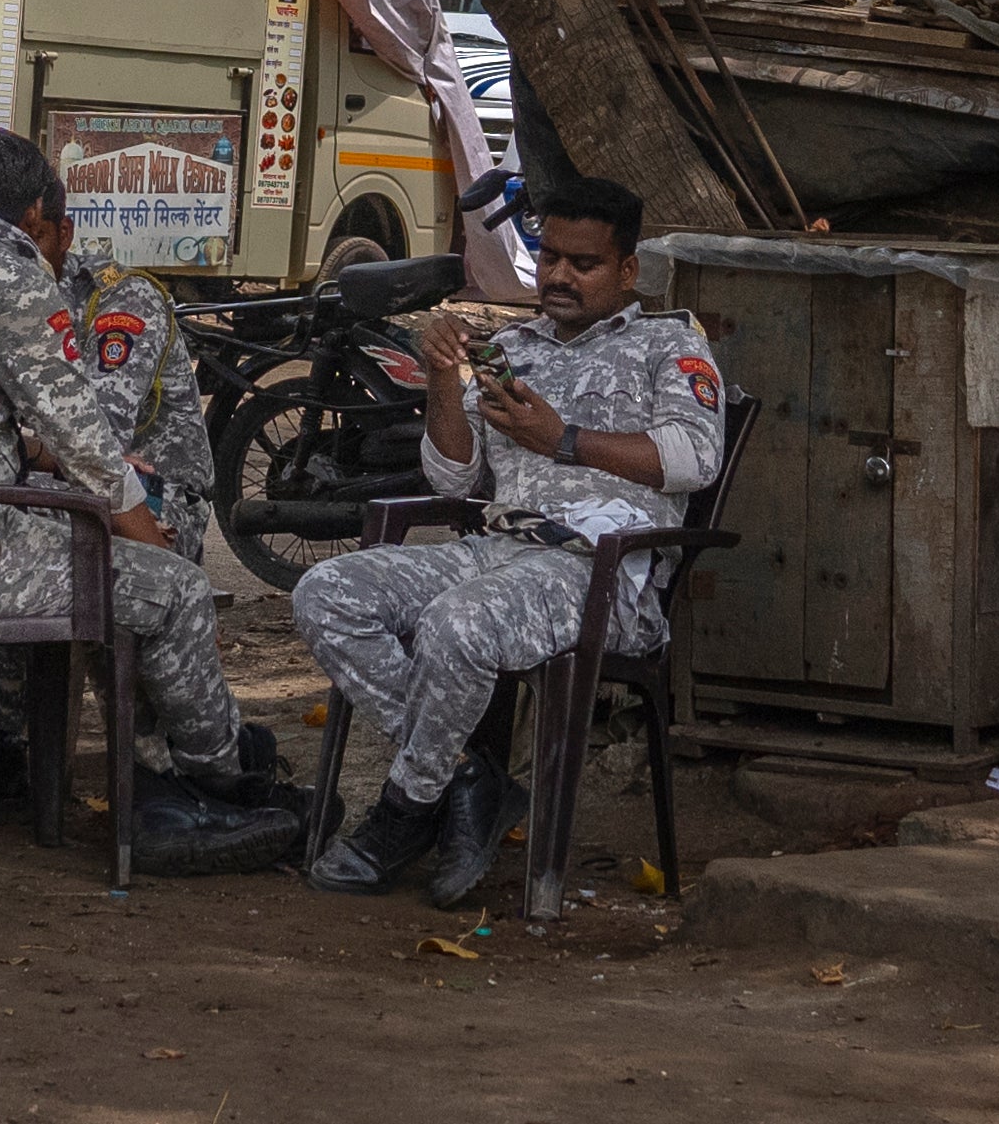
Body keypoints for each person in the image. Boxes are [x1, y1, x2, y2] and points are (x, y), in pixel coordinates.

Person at [0, 127, 291, 874]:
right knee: (172, 587)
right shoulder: (9, 275)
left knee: (62, 532)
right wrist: (149, 545)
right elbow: (89, 449)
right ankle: (216, 777)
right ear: (32, 213)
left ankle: (25, 749)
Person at [290, 175, 724, 906]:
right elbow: (453, 478)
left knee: (457, 622)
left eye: (581, 263)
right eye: (549, 256)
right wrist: (439, 376)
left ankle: (403, 811)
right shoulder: (512, 347)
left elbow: (693, 456)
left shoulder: (668, 345)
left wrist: (566, 440)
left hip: (596, 572)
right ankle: (465, 775)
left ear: (626, 271)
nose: (558, 274)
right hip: (496, 549)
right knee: (327, 591)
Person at [0, 171, 218, 821]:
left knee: (33, 510)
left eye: (31, 239)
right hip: (62, 485)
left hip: (157, 498)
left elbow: (99, 439)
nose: (12, 256)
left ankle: (166, 766)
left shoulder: (119, 302)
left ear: (63, 235)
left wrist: (16, 440)